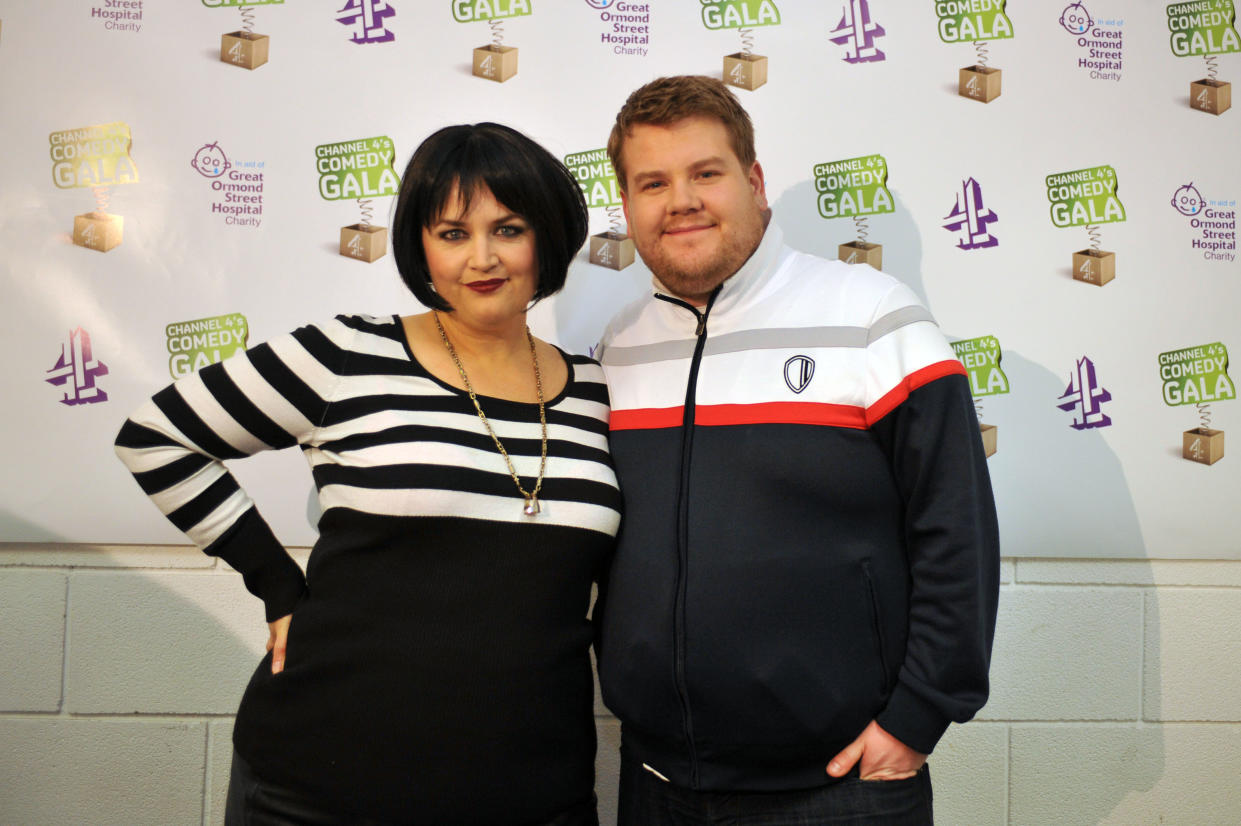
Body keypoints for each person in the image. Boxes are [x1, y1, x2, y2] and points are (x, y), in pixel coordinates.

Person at [114, 123, 621, 825]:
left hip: (533, 794)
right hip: (318, 787)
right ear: (419, 244)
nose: (481, 258)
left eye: (507, 228)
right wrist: (275, 582)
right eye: (451, 233)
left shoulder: (598, 391)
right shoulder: (348, 353)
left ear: (550, 236)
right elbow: (156, 437)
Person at [594, 75, 1000, 824]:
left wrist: (915, 720)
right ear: (627, 206)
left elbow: (957, 534)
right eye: (652, 182)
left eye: (705, 173)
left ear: (752, 182)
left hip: (840, 786)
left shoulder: (875, 320)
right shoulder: (614, 351)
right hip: (656, 780)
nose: (679, 200)